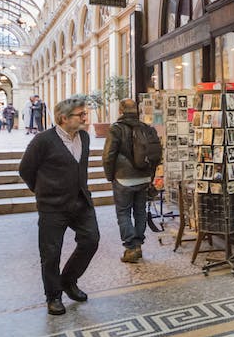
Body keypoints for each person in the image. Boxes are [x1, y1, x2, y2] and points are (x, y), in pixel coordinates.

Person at [18, 97, 99, 316]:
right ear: (63, 118)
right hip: (52, 206)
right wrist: (44, 191)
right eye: (80, 114)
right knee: (51, 252)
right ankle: (53, 296)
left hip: (80, 202)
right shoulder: (43, 141)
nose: (85, 117)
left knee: (91, 240)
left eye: (85, 113)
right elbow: (25, 170)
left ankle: (68, 280)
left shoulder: (84, 137)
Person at [102, 99, 160, 263]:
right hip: (144, 177)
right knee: (140, 211)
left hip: (123, 178)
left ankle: (131, 247)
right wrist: (151, 177)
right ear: (137, 110)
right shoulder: (145, 128)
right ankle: (139, 244)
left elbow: (108, 155)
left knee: (123, 212)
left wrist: (109, 175)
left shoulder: (116, 129)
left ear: (121, 110)